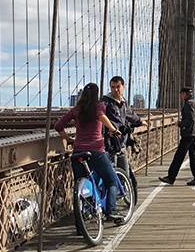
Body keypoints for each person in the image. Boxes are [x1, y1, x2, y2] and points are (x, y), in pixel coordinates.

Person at [55, 82, 124, 222]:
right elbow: (101, 116)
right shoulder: (99, 106)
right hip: (96, 151)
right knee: (111, 181)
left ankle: (82, 219)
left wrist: (69, 139)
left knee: (81, 185)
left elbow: (58, 126)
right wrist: (113, 129)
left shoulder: (76, 109)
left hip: (78, 151)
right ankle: (112, 211)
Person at [101, 76, 148, 180]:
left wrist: (140, 121)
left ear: (123, 86)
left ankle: (123, 195)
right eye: (113, 87)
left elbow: (130, 114)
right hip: (109, 144)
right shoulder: (105, 101)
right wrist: (110, 130)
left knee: (125, 176)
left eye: (118, 87)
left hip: (121, 143)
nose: (115, 90)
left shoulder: (124, 102)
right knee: (112, 177)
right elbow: (99, 114)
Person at [160, 86, 195, 185]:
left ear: (184, 94)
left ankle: (171, 177)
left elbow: (191, 119)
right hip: (194, 133)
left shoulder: (188, 104)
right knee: (194, 156)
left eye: (181, 94)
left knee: (179, 156)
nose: (181, 96)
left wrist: (180, 123)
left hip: (188, 134)